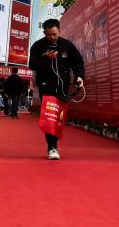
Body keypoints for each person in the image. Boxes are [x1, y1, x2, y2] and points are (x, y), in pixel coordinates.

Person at [28, 18, 85, 160]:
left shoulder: (67, 45)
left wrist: (79, 76)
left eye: (54, 34)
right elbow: (32, 64)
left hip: (63, 87)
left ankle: (54, 143)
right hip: (46, 86)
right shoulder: (38, 46)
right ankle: (52, 147)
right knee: (50, 117)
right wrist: (45, 57)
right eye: (49, 35)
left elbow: (78, 63)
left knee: (59, 117)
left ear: (59, 30)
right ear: (44, 33)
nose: (52, 37)